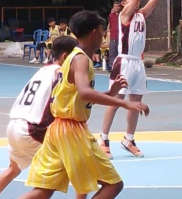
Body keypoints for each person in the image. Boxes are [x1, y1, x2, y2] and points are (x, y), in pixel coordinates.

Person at [19, 11, 149, 199]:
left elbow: (80, 97)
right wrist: (126, 104)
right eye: (103, 30)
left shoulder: (72, 57)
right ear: (95, 32)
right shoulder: (80, 59)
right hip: (71, 131)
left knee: (44, 191)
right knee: (113, 184)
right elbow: (85, 92)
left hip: (58, 129)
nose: (105, 34)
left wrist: (110, 94)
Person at [0, 35, 128, 199]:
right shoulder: (61, 73)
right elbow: (72, 100)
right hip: (35, 130)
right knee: (76, 166)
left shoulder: (43, 69)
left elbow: (74, 99)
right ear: (67, 57)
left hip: (15, 125)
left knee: (13, 169)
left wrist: (108, 94)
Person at [100, 0, 168, 159]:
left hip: (138, 64)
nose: (135, 0)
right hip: (124, 61)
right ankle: (103, 138)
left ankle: (129, 139)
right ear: (123, 3)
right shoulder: (125, 15)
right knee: (115, 100)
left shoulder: (140, 14)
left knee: (135, 102)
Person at [107, 2, 122, 70]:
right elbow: (109, 25)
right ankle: (112, 67)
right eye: (115, 6)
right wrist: (108, 37)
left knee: (120, 52)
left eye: (118, 6)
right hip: (113, 36)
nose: (116, 8)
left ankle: (120, 67)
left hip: (121, 37)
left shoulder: (122, 15)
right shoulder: (111, 15)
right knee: (112, 52)